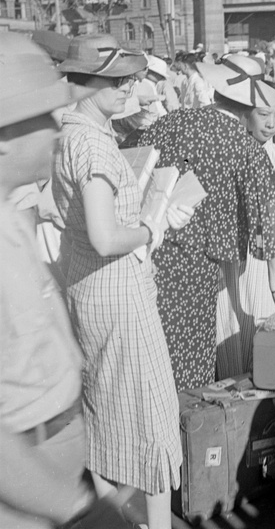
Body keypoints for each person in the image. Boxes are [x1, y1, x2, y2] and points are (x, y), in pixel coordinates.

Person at [52, 34, 194, 529]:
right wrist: (152, 226)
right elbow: (106, 236)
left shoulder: (74, 133)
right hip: (119, 299)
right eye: (117, 80)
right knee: (150, 413)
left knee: (107, 411)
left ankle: (115, 516)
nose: (128, 87)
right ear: (83, 83)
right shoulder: (92, 143)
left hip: (90, 293)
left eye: (129, 78)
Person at [0, 33, 135, 529]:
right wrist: (78, 510)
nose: (58, 127)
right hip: (28, 494)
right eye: (40, 117)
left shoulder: (10, 217)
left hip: (51, 468)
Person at [139, 55, 275, 391]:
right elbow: (269, 227)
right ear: (249, 104)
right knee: (190, 362)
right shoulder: (248, 149)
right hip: (199, 270)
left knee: (151, 354)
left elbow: (133, 164)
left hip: (149, 255)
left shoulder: (170, 123)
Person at [216, 82, 275, 379]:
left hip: (261, 254)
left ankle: (256, 385)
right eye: (263, 115)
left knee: (256, 316)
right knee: (227, 324)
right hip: (229, 252)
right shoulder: (227, 150)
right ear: (245, 113)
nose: (271, 124)